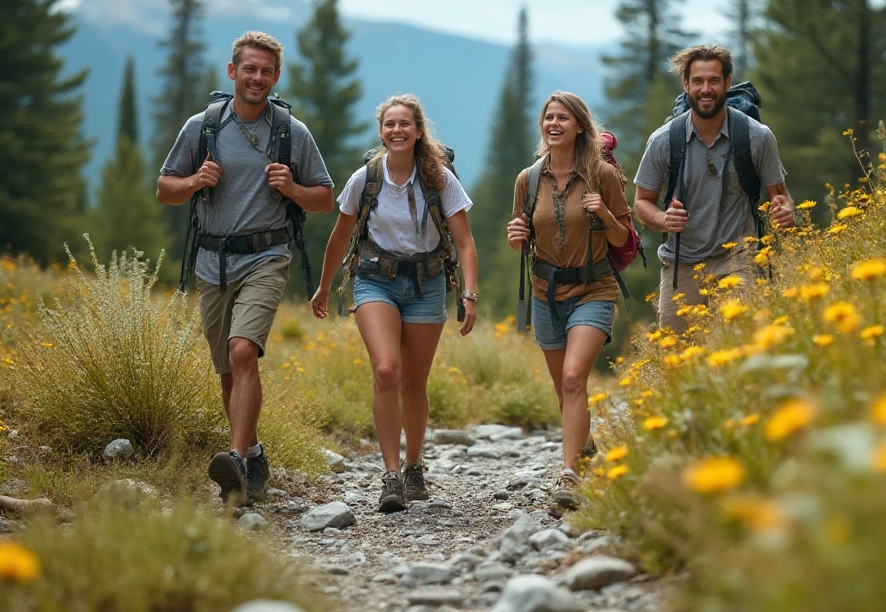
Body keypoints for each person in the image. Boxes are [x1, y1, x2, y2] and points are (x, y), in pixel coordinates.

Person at [157, 31, 333, 507]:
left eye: (267, 71)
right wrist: (195, 180)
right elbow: (164, 189)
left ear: (277, 77)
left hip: (266, 255)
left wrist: (293, 188)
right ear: (232, 72)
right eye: (250, 69)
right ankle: (252, 455)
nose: (258, 78)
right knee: (227, 372)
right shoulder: (203, 126)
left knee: (241, 352)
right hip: (211, 259)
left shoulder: (291, 132)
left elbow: (324, 199)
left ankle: (233, 458)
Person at [311, 94, 478, 513]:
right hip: (375, 281)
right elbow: (340, 236)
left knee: (413, 385)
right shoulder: (365, 179)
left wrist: (470, 294)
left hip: (427, 283)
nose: (397, 131)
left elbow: (465, 241)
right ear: (381, 131)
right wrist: (324, 286)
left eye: (405, 124)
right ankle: (390, 477)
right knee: (386, 371)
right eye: (390, 124)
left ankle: (414, 465)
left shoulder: (440, 179)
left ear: (419, 131)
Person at [506, 92, 632, 510]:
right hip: (546, 293)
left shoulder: (602, 176)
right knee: (565, 389)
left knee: (575, 378)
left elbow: (624, 239)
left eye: (563, 118)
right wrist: (516, 237)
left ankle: (569, 476)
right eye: (548, 117)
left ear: (579, 126)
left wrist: (606, 215)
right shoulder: (528, 178)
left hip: (594, 289)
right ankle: (586, 444)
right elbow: (521, 238)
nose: (554, 124)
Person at [632, 45, 795, 333]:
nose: (705, 89)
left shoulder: (758, 137)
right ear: (686, 85)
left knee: (737, 346)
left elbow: (778, 194)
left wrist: (783, 209)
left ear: (727, 83)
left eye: (713, 81)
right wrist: (663, 220)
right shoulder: (663, 141)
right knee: (679, 362)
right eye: (698, 81)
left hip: (739, 259)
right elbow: (642, 202)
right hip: (681, 263)